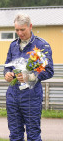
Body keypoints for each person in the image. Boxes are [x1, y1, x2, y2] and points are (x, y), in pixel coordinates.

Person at [4, 13, 54, 141]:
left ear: (30, 26)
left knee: (33, 135)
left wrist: (30, 76)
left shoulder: (42, 46)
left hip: (31, 97)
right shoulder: (13, 45)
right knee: (14, 135)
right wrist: (7, 74)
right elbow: (7, 66)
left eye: (22, 29)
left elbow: (49, 71)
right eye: (17, 30)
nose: (19, 33)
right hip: (13, 96)